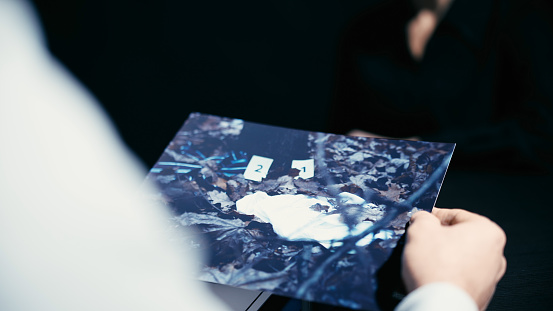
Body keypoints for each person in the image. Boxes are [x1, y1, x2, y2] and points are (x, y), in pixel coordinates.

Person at [0, 0, 506, 310]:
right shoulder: (367, 33)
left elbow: (534, 129)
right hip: (358, 197)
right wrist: (445, 295)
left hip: (483, 183)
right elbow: (338, 126)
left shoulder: (510, 20)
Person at [330, 0, 553, 172]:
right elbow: (346, 131)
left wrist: (417, 149)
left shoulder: (520, 17)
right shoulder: (365, 30)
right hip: (382, 198)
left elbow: (541, 135)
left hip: (495, 202)